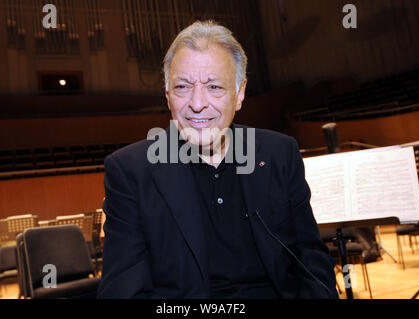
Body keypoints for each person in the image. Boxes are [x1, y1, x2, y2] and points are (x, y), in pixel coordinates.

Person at [97, 20, 338, 299]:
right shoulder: (129, 172)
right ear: (167, 95)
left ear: (240, 93)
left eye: (214, 87)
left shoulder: (280, 153)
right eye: (182, 87)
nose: (197, 103)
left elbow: (311, 260)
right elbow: (122, 292)